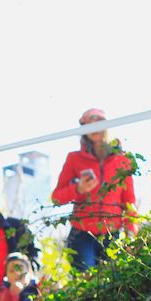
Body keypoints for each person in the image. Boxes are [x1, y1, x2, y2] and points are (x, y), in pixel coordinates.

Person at [51, 109, 137, 273]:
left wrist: (131, 233)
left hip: (112, 234)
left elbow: (129, 202)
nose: (94, 128)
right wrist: (78, 189)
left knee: (113, 284)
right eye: (88, 124)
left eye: (99, 122)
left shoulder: (123, 160)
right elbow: (56, 198)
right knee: (86, 283)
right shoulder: (74, 159)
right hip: (82, 234)